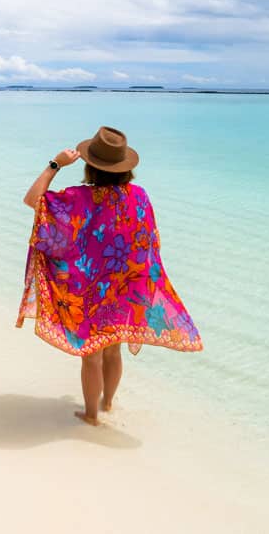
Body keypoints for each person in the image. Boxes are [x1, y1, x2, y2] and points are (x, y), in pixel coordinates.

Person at [17, 126, 202, 426]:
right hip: (125, 286)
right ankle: (108, 404)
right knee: (113, 350)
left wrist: (55, 164)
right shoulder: (139, 196)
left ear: (90, 166)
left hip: (89, 287)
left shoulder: (77, 197)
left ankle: (91, 416)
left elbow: (33, 200)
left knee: (91, 355)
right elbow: (147, 243)